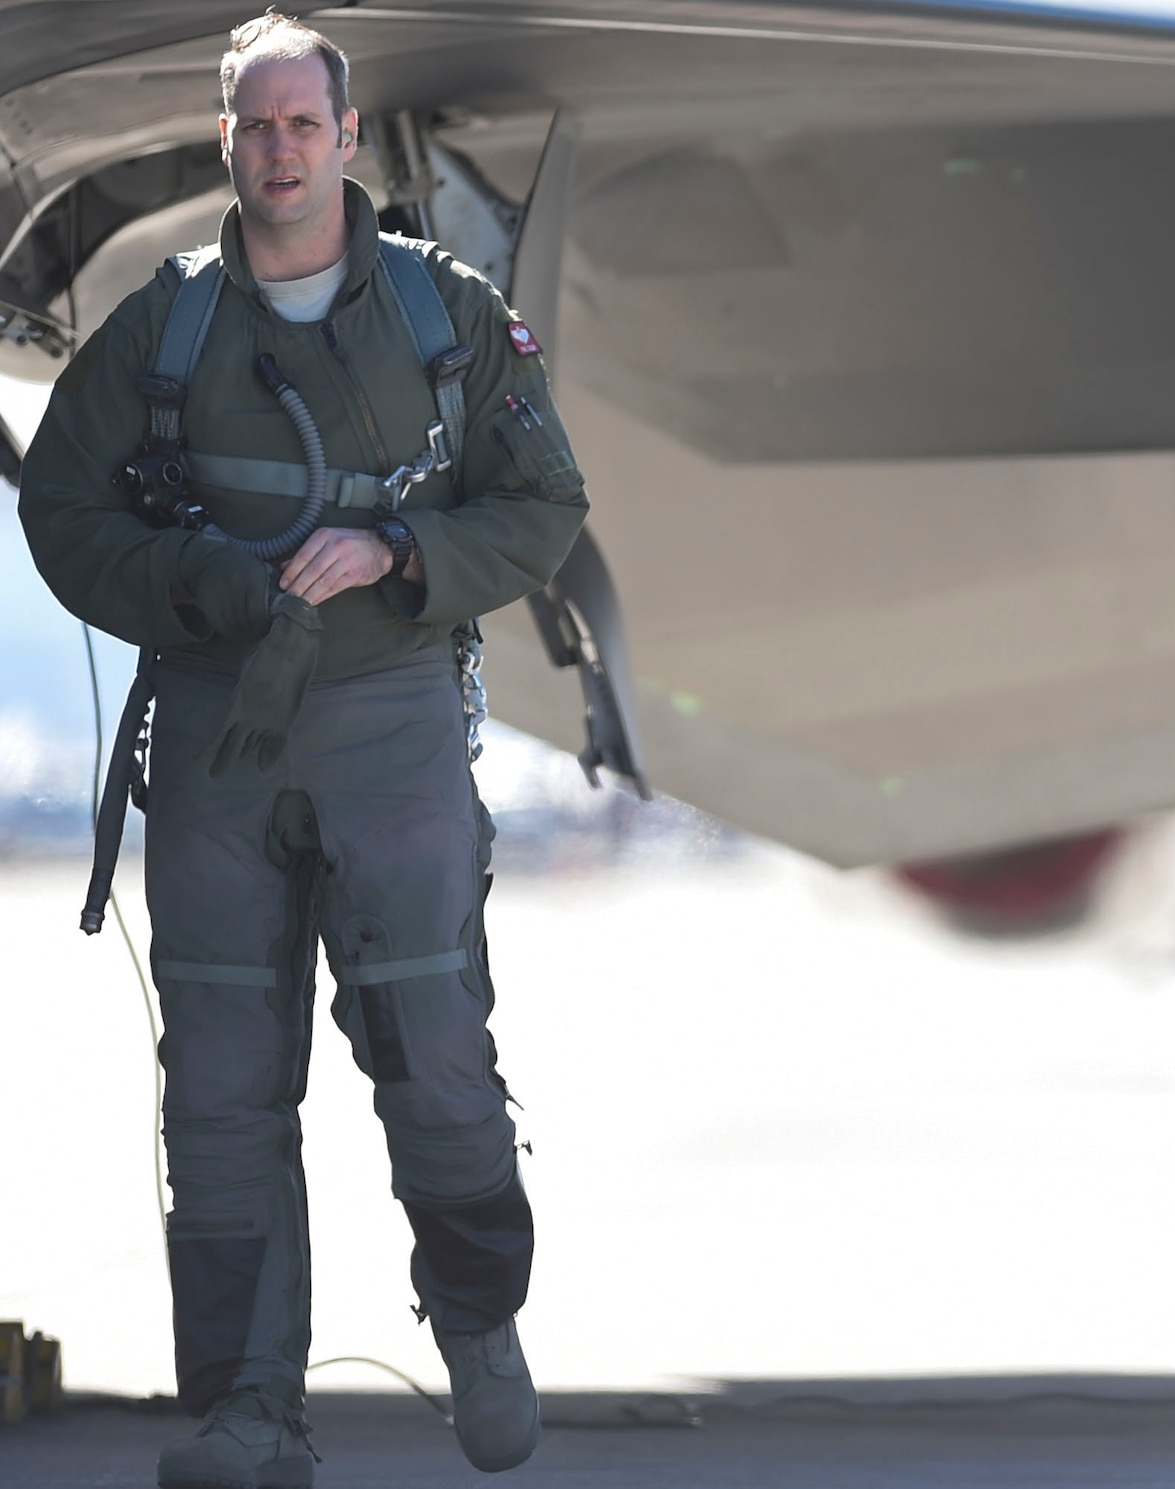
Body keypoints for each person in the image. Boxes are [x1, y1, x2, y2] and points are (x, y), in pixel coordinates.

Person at [16, 11, 588, 1484]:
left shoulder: (444, 317)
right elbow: (65, 511)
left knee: (439, 1060)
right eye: (252, 126)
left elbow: (542, 508)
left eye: (301, 125)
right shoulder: (169, 326)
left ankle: (477, 1313)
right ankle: (250, 1407)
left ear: (344, 138)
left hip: (390, 733)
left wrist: (402, 547)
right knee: (215, 1087)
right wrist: (190, 584)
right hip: (219, 741)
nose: (279, 150)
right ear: (226, 142)